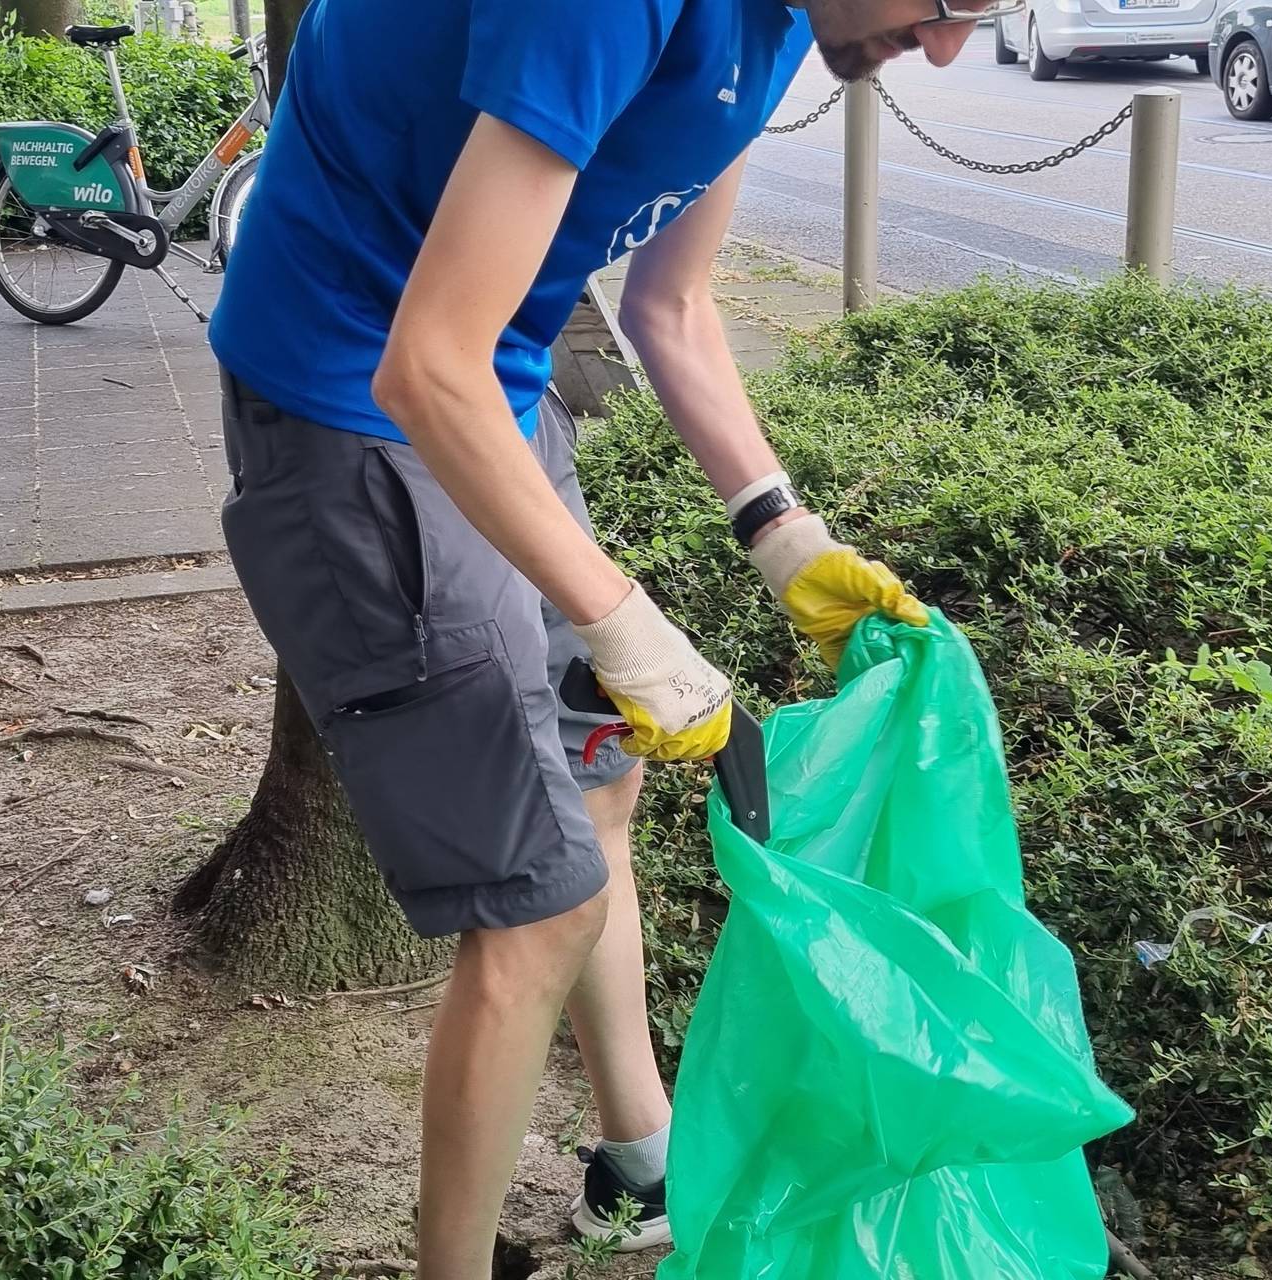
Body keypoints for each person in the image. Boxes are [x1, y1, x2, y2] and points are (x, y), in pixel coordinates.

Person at [204, 1, 1015, 1276]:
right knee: (540, 908)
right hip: (348, 398)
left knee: (600, 782)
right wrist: (619, 614)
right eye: (949, 4)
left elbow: (671, 307)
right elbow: (423, 368)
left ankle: (642, 1158)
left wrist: (781, 533)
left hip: (494, 382)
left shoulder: (782, 23)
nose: (950, 46)